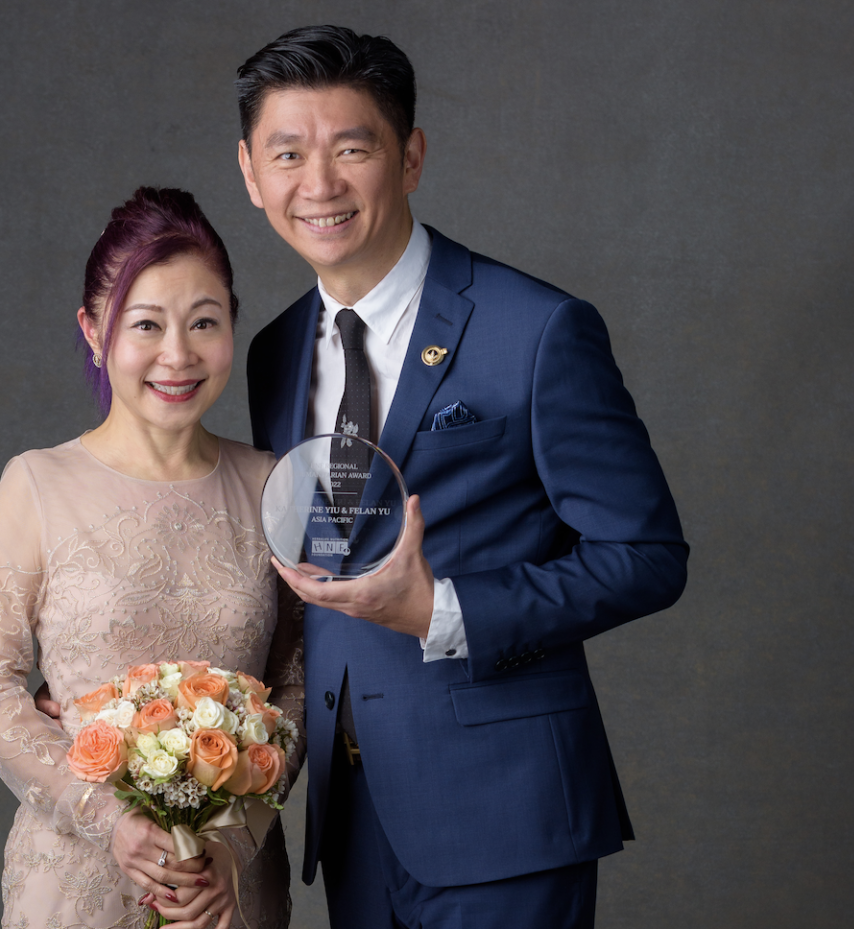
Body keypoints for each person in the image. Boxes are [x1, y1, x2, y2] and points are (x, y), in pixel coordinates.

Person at [236, 26, 688, 929]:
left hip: (507, 813)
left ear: (409, 158)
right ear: (251, 173)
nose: (317, 184)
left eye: (350, 148)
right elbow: (309, 570)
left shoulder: (538, 329)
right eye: (288, 153)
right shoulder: (274, 351)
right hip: (355, 820)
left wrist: (444, 611)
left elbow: (647, 554)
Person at [0, 186, 304, 929]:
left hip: (223, 889)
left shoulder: (275, 486)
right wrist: (104, 815)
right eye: (147, 324)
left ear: (232, 325)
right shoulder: (37, 484)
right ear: (94, 329)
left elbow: (296, 687)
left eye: (204, 322)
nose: (178, 354)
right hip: (76, 876)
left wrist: (235, 845)